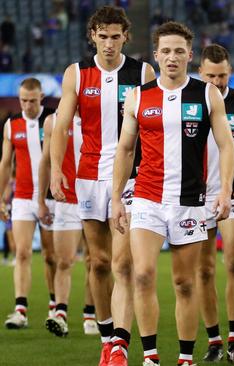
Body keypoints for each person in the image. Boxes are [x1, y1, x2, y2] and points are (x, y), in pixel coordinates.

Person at [111, 21, 234, 366]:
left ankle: (184, 358)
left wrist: (224, 190)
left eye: (179, 51)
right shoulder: (139, 96)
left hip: (190, 203)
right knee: (142, 273)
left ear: (189, 55)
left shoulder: (207, 94)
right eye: (165, 51)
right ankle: (150, 356)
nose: (172, 56)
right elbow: (124, 150)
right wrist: (117, 198)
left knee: (184, 282)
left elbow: (227, 146)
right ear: (156, 55)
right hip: (148, 198)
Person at [50, 6, 155, 365]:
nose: (109, 43)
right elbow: (62, 124)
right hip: (88, 175)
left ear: (126, 36)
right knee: (98, 262)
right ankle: (107, 337)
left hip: (131, 177)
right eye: (103, 36)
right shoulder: (77, 74)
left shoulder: (142, 72)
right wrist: (54, 170)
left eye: (115, 36)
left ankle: (120, 346)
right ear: (92, 35)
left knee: (123, 264)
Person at [196, 43, 234, 364]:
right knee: (203, 270)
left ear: (230, 72)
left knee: (233, 261)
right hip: (197, 194)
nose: (217, 82)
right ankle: (214, 340)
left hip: (233, 193)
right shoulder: (191, 98)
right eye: (211, 76)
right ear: (200, 73)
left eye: (222, 75)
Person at [0, 78, 57, 329]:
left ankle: (56, 307)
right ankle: (20, 310)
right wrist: (2, 194)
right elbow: (5, 163)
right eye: (23, 100)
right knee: (22, 252)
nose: (27, 105)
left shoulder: (54, 120)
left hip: (51, 198)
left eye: (32, 100)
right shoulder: (12, 126)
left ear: (41, 97)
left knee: (51, 256)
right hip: (22, 196)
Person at [39, 111, 84, 337]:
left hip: (96, 198)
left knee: (100, 262)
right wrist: (41, 201)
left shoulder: (102, 112)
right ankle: (61, 314)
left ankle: (92, 314)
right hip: (66, 201)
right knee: (63, 261)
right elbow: (46, 162)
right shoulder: (53, 121)